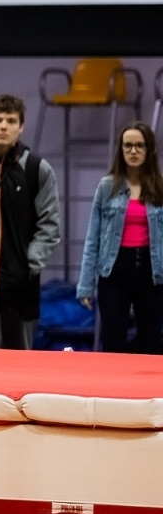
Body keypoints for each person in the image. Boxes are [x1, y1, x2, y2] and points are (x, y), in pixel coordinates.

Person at [0, 94, 61, 350]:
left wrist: (29, 265)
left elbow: (50, 226)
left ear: (21, 126)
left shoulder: (36, 168)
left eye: (11, 121)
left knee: (19, 361)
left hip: (20, 285)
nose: (3, 126)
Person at [76, 122, 163, 354]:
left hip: (152, 273)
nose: (133, 151)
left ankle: (151, 390)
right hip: (114, 272)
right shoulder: (107, 187)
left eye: (139, 146)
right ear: (121, 150)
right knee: (113, 342)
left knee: (152, 342)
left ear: (149, 150)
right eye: (128, 146)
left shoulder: (159, 188)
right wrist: (85, 284)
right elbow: (92, 237)